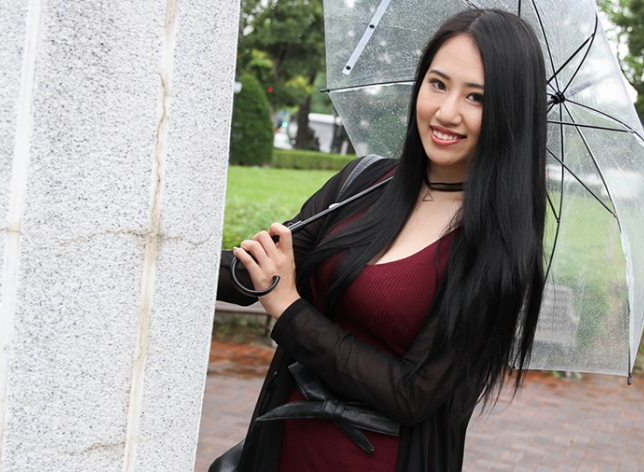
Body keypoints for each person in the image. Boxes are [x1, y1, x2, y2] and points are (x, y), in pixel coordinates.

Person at [215, 8, 548, 472]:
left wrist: (289, 308)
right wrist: (163, 249)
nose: (446, 112)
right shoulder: (364, 183)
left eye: (476, 97)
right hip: (282, 449)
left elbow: (413, 393)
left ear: (510, 113)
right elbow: (256, 272)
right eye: (438, 84)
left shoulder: (498, 248)